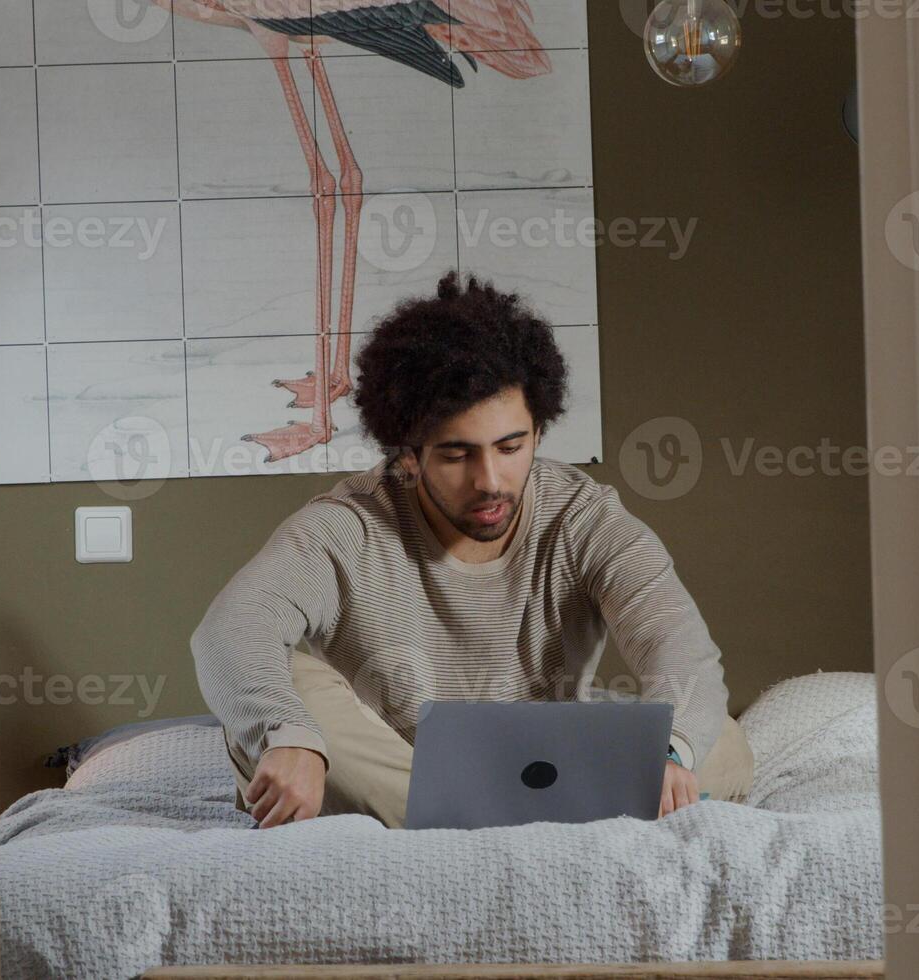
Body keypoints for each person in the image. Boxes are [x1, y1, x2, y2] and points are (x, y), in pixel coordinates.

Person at [192, 271, 753, 829]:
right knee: (286, 691)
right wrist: (286, 733)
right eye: (458, 455)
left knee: (718, 740)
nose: (490, 480)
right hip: (398, 766)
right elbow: (231, 629)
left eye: (511, 446)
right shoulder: (346, 526)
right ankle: (552, 814)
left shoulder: (585, 516)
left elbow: (677, 644)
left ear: (539, 431)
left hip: (544, 764)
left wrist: (670, 753)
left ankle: (486, 816)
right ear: (408, 454)